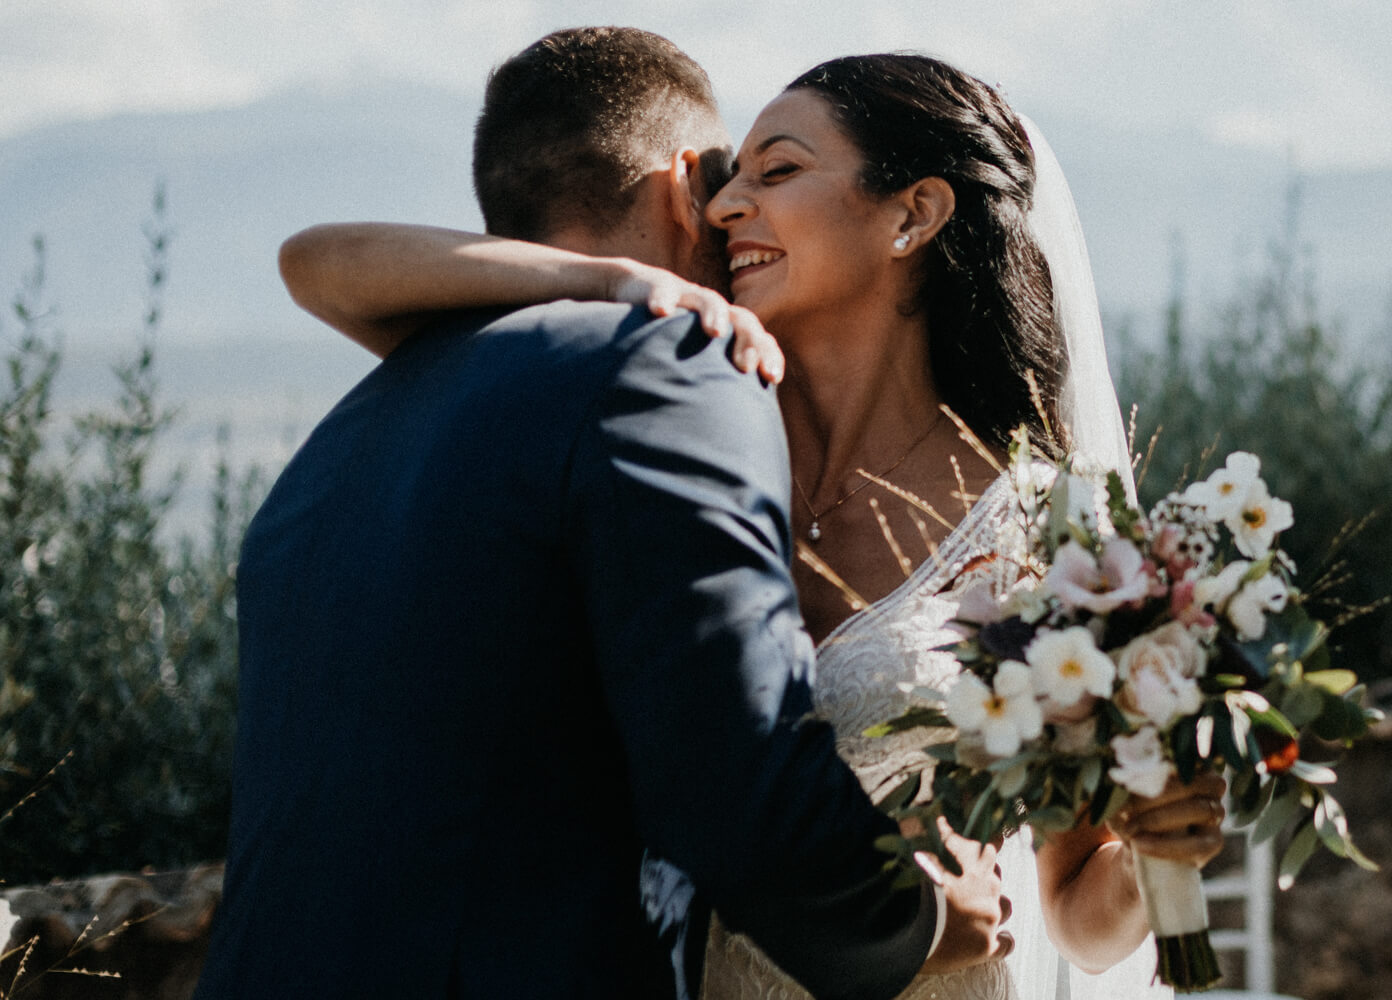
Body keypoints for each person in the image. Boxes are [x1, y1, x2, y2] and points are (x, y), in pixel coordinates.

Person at [277, 49, 1229, 1000]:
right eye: (730, 180)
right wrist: (604, 280)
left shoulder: (1048, 529)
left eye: (775, 172)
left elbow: (1077, 919)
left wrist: (1155, 858)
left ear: (913, 213)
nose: (725, 206)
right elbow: (324, 268)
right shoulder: (666, 414)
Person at [193, 29, 1013, 1000]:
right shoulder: (668, 365)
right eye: (720, 183)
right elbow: (732, 769)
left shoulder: (353, 430)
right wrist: (910, 925)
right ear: (679, 190)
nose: (731, 213)